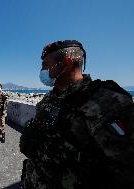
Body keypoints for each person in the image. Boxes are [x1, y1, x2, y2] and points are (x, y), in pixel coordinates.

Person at [20, 40, 134, 189]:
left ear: (66, 63)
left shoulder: (106, 102)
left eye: (46, 65)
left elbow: (126, 171)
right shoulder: (50, 98)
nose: (42, 70)